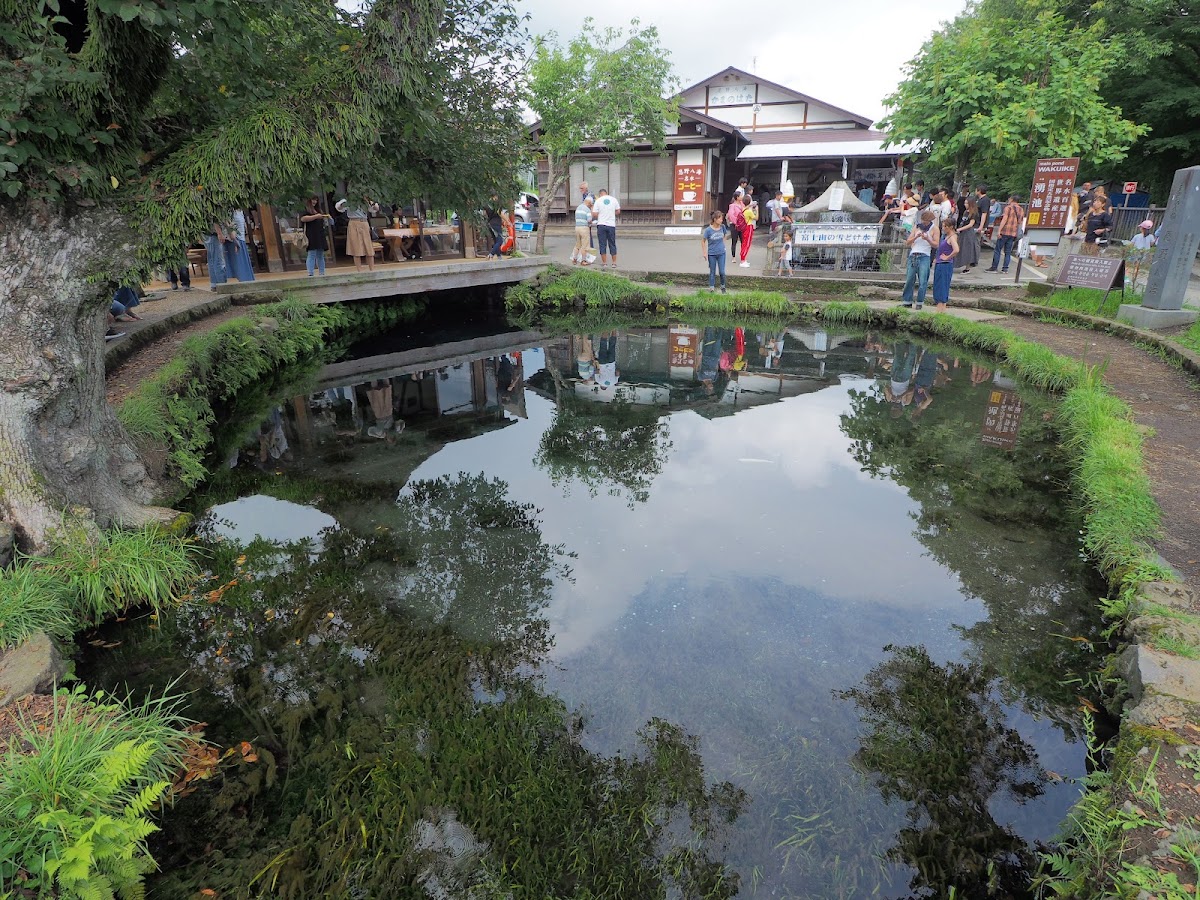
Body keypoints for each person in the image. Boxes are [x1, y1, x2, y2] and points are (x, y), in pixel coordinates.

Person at [901, 211, 939, 310]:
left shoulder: (934, 229)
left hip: (925, 255)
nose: (925, 223)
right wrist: (916, 236)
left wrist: (927, 239)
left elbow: (936, 244)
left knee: (923, 281)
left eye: (927, 221)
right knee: (909, 279)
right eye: (923, 221)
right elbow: (908, 242)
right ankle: (907, 301)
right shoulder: (917, 227)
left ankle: (919, 302)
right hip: (913, 254)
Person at [339, 197, 379, 272]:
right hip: (354, 222)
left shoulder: (366, 201)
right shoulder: (348, 200)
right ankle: (359, 270)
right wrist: (344, 203)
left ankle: (372, 269)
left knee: (368, 246)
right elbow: (339, 207)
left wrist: (369, 201)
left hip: (364, 222)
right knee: (356, 246)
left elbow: (376, 208)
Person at [986, 194, 1023, 273]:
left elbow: (1004, 219)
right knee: (1008, 252)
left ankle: (994, 268)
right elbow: (1020, 222)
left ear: (1012, 199)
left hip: (1005, 231)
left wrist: (999, 231)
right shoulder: (1021, 209)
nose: (1008, 200)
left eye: (1009, 198)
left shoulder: (1008, 208)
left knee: (998, 250)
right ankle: (1005, 269)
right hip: (1013, 233)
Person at [300, 196, 332, 276]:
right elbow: (303, 219)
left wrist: (326, 218)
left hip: (320, 234)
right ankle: (310, 273)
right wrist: (315, 217)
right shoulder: (306, 210)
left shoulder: (318, 210)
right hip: (311, 235)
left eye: (316, 200)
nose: (314, 201)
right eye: (313, 199)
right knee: (312, 254)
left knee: (320, 255)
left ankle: (322, 272)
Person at [932, 219, 959, 312]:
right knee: (939, 285)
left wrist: (947, 257)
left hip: (945, 265)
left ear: (951, 227)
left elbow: (956, 249)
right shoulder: (947, 236)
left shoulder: (952, 237)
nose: (943, 228)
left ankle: (940, 309)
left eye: (945, 226)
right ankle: (941, 308)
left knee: (942, 285)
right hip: (940, 263)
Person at [223, 209, 256, 282]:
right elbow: (229, 224)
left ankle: (246, 279)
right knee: (237, 260)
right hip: (235, 239)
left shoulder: (240, 211)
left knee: (241, 260)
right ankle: (241, 279)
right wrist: (234, 238)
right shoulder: (231, 211)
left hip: (241, 238)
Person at [700, 210, 729, 292]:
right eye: (720, 219)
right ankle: (711, 288)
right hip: (712, 253)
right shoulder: (708, 230)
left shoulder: (722, 227)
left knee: (722, 272)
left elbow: (725, 235)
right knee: (712, 271)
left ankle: (723, 287)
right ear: (715, 219)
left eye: (722, 219)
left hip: (721, 253)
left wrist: (723, 245)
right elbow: (703, 241)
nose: (721, 220)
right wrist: (704, 252)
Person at [592, 188, 621, 269]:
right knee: (612, 243)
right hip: (611, 225)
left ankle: (604, 263)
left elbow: (594, 214)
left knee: (602, 244)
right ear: (606, 193)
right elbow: (618, 211)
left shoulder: (598, 201)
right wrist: (612, 213)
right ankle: (614, 263)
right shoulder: (614, 199)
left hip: (601, 224)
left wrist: (601, 214)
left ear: (600, 194)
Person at [957, 199, 980, 273]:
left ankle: (967, 267)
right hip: (962, 232)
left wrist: (960, 229)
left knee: (967, 249)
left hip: (968, 233)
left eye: (966, 203)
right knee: (960, 247)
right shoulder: (965, 212)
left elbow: (970, 225)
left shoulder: (973, 213)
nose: (965, 204)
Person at [572, 196, 594, 265]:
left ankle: (574, 259)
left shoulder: (578, 207)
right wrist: (592, 223)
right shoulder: (587, 209)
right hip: (584, 228)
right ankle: (583, 261)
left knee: (577, 245)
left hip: (577, 227)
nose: (591, 205)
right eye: (591, 203)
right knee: (584, 245)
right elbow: (589, 220)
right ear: (589, 202)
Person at [578, 181, 596, 259]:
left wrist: (590, 219)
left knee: (587, 235)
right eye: (580, 188)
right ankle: (586, 251)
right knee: (586, 235)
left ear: (586, 188)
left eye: (582, 188)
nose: (580, 190)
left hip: (588, 217)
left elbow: (592, 207)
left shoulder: (589, 195)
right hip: (584, 217)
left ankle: (589, 252)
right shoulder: (584, 195)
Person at [739, 197, 757, 267]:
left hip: (744, 227)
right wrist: (756, 210)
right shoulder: (749, 211)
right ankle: (743, 260)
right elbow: (756, 218)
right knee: (747, 244)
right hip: (748, 227)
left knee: (744, 243)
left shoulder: (743, 209)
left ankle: (743, 258)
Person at [727, 194, 746, 260]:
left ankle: (743, 255)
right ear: (737, 197)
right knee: (734, 241)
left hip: (741, 225)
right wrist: (737, 222)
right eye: (740, 196)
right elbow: (731, 215)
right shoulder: (732, 206)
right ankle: (733, 256)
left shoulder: (743, 204)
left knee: (743, 241)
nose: (742, 197)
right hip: (734, 225)